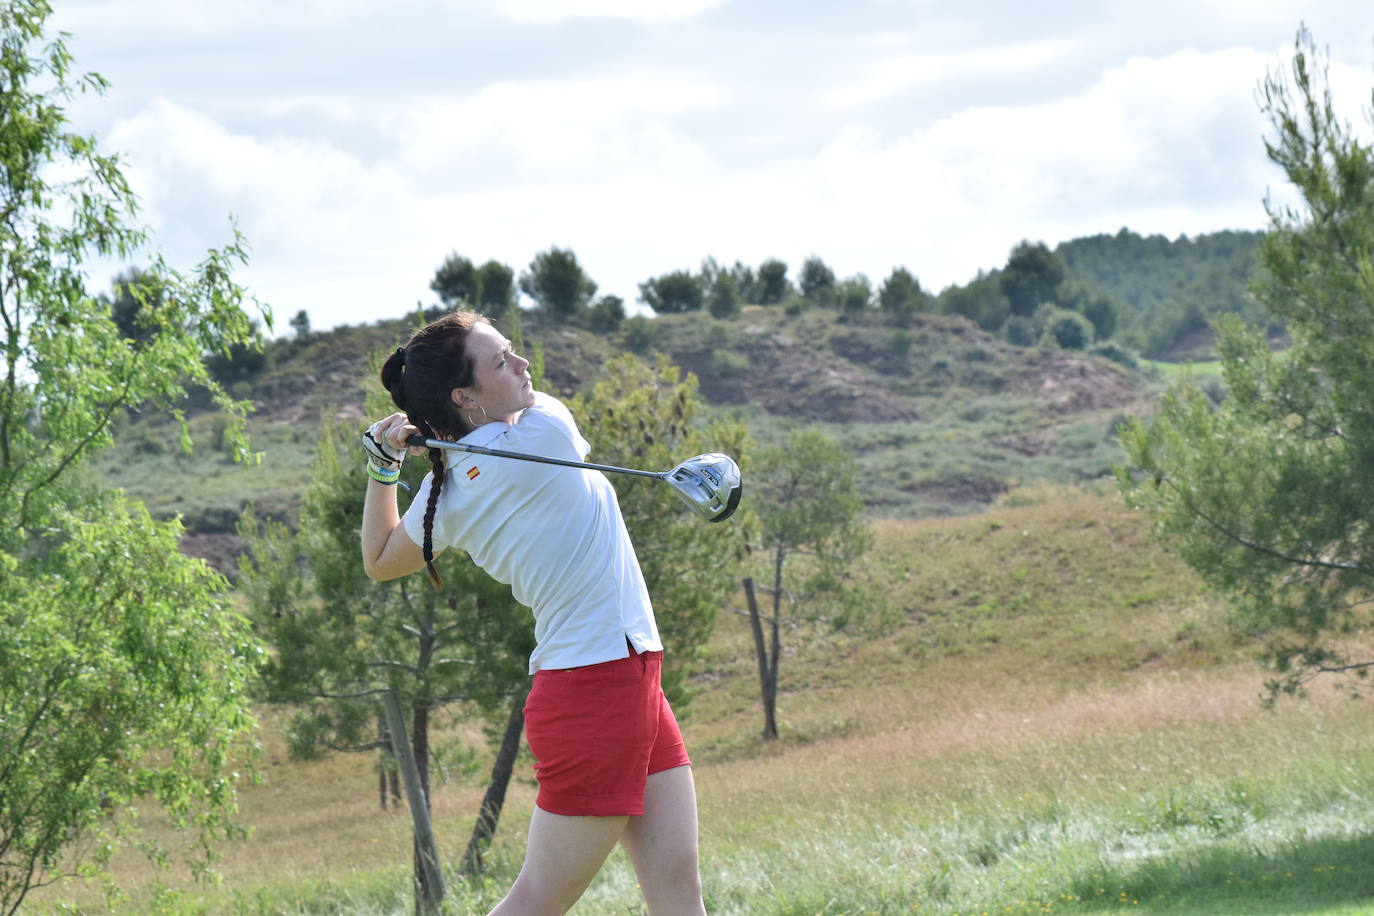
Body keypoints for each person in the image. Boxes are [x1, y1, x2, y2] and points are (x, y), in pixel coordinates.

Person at [358, 310, 707, 916]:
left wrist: (383, 465)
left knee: (676, 887)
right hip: (597, 685)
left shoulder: (455, 486)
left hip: (620, 672)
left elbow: (382, 559)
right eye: (502, 360)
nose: (522, 365)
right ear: (464, 395)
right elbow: (527, 405)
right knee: (538, 901)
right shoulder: (544, 435)